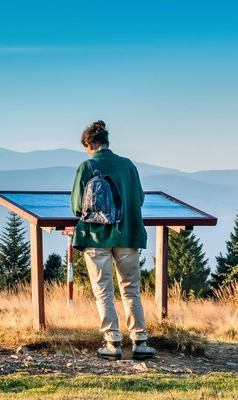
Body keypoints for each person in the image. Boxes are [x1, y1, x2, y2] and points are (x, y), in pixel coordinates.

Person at [70, 120, 156, 361]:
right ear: (107, 142)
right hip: (128, 235)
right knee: (131, 290)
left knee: (104, 291)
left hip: (96, 238)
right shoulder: (128, 165)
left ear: (89, 144)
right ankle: (140, 341)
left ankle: (112, 342)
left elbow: (77, 207)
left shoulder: (87, 166)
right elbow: (138, 199)